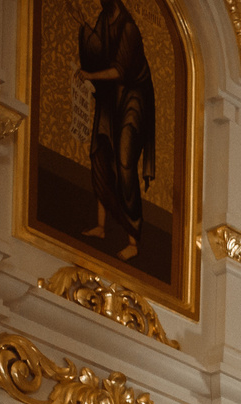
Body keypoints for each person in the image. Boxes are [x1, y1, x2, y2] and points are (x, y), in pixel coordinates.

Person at [76, 0, 155, 261]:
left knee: (124, 163)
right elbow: (97, 50)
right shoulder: (103, 19)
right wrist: (84, 30)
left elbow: (120, 69)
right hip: (110, 96)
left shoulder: (129, 28)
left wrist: (90, 76)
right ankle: (101, 226)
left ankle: (133, 239)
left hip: (133, 98)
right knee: (100, 154)